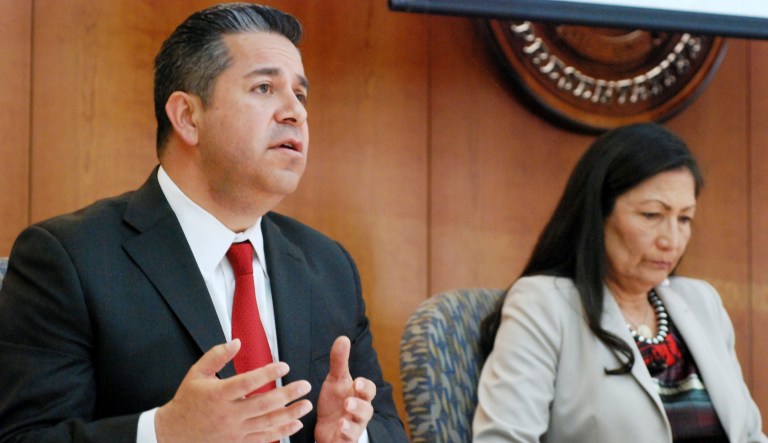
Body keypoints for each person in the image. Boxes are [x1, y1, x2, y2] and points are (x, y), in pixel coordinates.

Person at [0, 3, 407, 443]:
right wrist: (162, 433)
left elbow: (388, 426)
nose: (296, 113)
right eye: (265, 88)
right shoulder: (70, 258)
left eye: (301, 95)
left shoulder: (328, 266)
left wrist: (350, 435)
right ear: (188, 117)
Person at [473, 123, 767, 442]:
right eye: (652, 215)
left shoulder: (701, 300)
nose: (672, 240)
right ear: (597, 214)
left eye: (684, 219)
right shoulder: (544, 304)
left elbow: (750, 434)